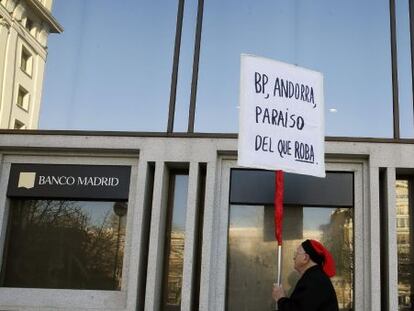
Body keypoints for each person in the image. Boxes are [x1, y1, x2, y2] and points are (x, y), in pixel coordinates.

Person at [272, 239, 339, 311]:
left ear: (305, 258)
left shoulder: (314, 281)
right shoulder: (314, 277)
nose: (294, 258)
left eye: (296, 254)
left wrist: (280, 298)